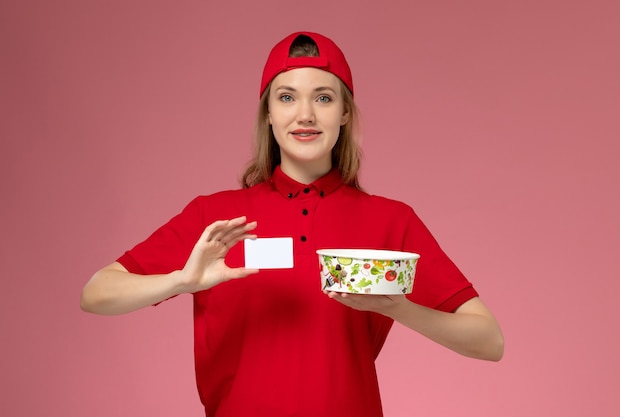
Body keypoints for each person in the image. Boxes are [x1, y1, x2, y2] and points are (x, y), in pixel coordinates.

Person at [81, 31, 504, 417]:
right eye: (286, 97)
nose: (305, 115)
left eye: (323, 98)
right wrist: (180, 280)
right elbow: (96, 293)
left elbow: (488, 340)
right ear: (267, 113)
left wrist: (400, 309)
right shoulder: (215, 218)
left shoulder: (390, 220)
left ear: (344, 113)